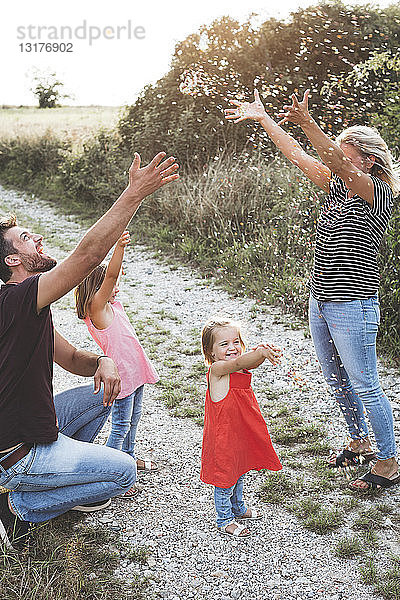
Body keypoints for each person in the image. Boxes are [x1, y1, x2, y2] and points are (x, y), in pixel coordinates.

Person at [0, 151, 179, 550]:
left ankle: (56, 472)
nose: (39, 237)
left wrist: (104, 359)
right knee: (123, 473)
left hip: (28, 430)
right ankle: (18, 504)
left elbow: (72, 359)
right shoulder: (18, 299)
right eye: (28, 238)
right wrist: (134, 193)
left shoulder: (29, 307)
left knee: (103, 392)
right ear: (13, 260)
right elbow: (87, 257)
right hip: (14, 451)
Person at [225, 88, 400, 491]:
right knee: (335, 378)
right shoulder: (338, 187)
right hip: (320, 301)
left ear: (367, 161)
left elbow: (330, 158)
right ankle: (358, 443)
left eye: (344, 153)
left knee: (366, 384)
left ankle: (389, 463)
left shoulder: (379, 194)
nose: (333, 159)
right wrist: (266, 119)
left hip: (353, 306)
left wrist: (306, 121)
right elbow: (299, 156)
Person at [75, 230, 159, 498]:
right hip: (122, 377)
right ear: (98, 289)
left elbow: (112, 279)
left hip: (136, 373)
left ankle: (130, 459)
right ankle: (114, 475)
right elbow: (110, 275)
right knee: (121, 426)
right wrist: (119, 248)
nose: (116, 286)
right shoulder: (98, 310)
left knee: (134, 420)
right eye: (111, 285)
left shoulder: (113, 305)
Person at [200, 317, 282, 538]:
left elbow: (249, 363)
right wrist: (259, 353)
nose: (232, 348)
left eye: (236, 341)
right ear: (210, 351)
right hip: (223, 437)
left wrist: (263, 352)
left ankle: (238, 507)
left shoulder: (239, 365)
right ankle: (224, 519)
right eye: (224, 344)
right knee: (225, 477)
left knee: (239, 471)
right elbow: (238, 364)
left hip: (240, 432)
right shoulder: (218, 370)